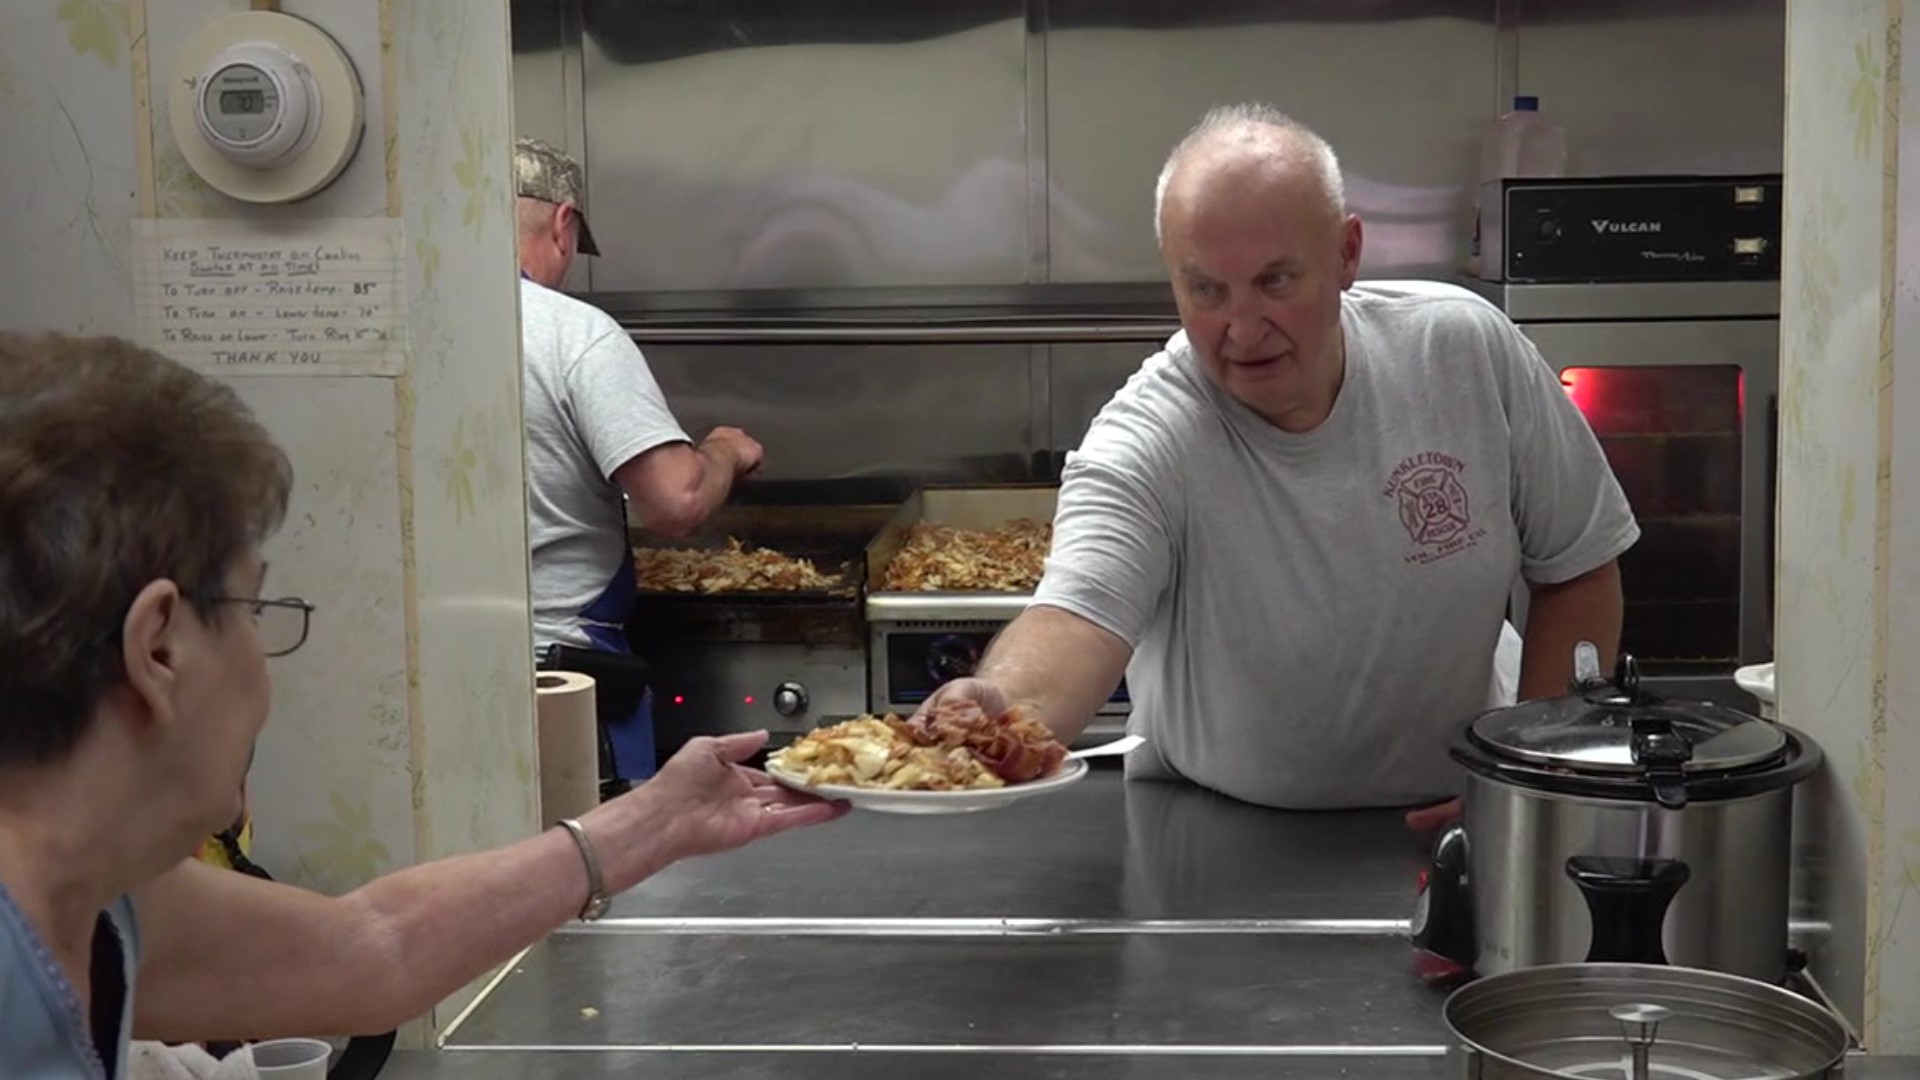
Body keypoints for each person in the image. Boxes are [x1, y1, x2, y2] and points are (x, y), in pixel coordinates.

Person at [0, 332, 846, 1078]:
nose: (264, 664)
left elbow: (374, 951)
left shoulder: (98, 897)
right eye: (254, 610)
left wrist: (657, 820)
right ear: (157, 648)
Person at [917, 103, 1638, 821]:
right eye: (1205, 290)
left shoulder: (1463, 352)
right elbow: (1076, 619)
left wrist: (1527, 781)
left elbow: (1578, 569)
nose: (1242, 328)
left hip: (1467, 824)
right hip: (1216, 829)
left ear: (1347, 254)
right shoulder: (1149, 438)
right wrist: (998, 711)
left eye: (1275, 282)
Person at [513, 138, 764, 790]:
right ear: (563, 224)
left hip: (418, 676)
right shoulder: (570, 331)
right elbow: (675, 501)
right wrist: (724, 453)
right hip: (555, 686)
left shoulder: (393, 323)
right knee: (590, 877)